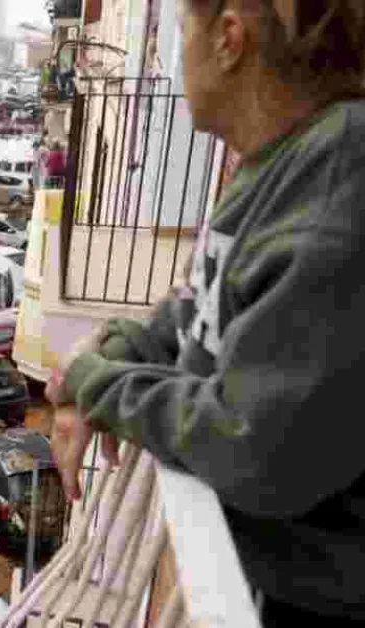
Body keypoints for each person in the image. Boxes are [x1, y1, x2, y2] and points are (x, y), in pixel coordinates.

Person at [46, 0, 365, 624]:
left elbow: (257, 450)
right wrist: (112, 352)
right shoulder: (279, 158)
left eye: (180, 29)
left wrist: (92, 383)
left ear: (228, 38)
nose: (174, 54)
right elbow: (196, 307)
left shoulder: (337, 178)